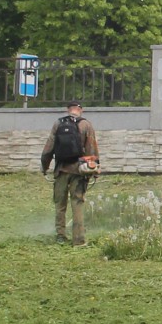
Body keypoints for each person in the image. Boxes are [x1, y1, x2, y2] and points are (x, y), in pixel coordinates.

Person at [40, 100, 100, 246]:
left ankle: (60, 236)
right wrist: (95, 169)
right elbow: (92, 149)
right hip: (79, 171)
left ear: (68, 110)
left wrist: (44, 166)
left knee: (60, 204)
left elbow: (49, 148)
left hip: (61, 170)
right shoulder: (86, 125)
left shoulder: (58, 124)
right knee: (77, 202)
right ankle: (78, 240)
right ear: (81, 110)